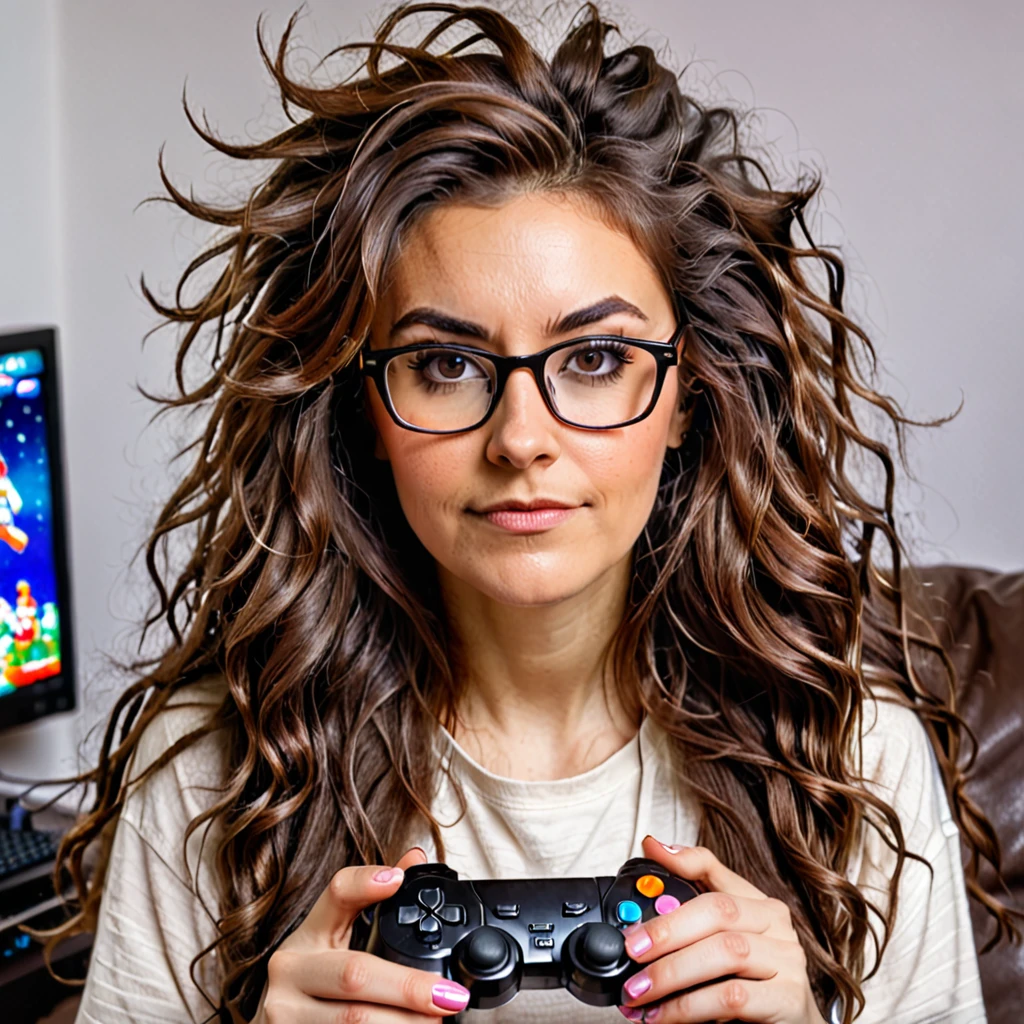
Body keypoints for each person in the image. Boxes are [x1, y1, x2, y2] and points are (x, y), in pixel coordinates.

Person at [48, 3, 1018, 1023]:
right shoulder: (213, 774)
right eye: (445, 363)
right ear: (364, 410)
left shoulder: (855, 762)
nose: (521, 438)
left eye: (595, 359)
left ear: (688, 394)